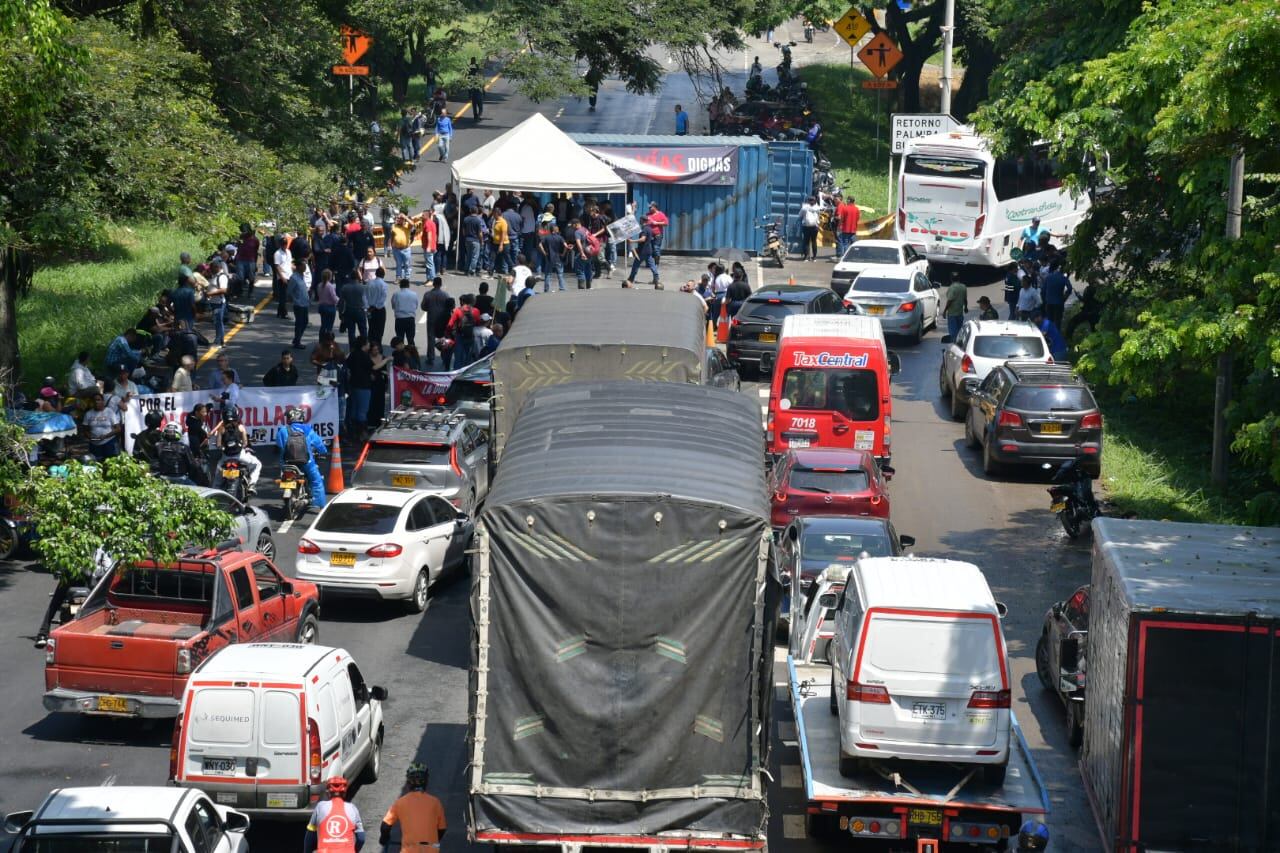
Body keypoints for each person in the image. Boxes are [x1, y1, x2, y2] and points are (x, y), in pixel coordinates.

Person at [380, 763, 446, 851]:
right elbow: (442, 829)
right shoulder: (435, 802)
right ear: (426, 781)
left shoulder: (400, 803)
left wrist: (384, 839)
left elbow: (385, 826)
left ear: (408, 782)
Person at [276, 407, 327, 509]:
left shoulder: (282, 430)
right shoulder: (308, 429)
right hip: (306, 462)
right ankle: (319, 505)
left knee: (284, 477)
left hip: (286, 462)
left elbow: (280, 446)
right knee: (317, 481)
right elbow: (320, 445)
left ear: (289, 418)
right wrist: (323, 451)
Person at [304, 776, 365, 853]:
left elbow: (310, 836)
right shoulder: (353, 808)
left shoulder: (320, 807)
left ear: (328, 793)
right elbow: (361, 838)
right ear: (345, 793)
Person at [209, 406, 259, 495]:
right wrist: (242, 445)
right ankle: (251, 484)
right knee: (257, 464)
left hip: (225, 458)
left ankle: (214, 495)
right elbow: (245, 443)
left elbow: (218, 445)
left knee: (217, 480)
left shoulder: (221, 428)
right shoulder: (241, 427)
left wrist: (223, 447)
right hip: (241, 456)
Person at [345, 336, 375, 439]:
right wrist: (387, 360)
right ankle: (362, 433)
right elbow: (373, 367)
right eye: (367, 343)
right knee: (362, 410)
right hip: (364, 385)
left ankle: (352, 432)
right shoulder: (364, 356)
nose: (369, 345)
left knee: (354, 408)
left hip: (353, 384)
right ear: (364, 345)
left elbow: (347, 364)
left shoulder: (352, 354)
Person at [420, 277, 451, 368]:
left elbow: (423, 307)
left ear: (433, 284)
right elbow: (449, 306)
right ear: (441, 284)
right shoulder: (445, 295)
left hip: (431, 319)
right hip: (442, 319)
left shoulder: (428, 294)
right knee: (444, 338)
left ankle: (431, 357)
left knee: (431, 338)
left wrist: (430, 309)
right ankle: (444, 356)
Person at [82, 393, 122, 459]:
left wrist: (106, 436)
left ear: (103, 401)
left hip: (109, 442)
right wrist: (91, 437)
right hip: (94, 445)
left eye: (98, 400)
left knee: (110, 463)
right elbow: (85, 430)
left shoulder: (109, 412)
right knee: (96, 465)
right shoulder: (88, 414)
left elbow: (118, 429)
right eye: (94, 400)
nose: (96, 402)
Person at [625, 216, 661, 288]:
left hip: (642, 251)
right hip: (648, 250)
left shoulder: (644, 229)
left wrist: (632, 241)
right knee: (652, 265)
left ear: (642, 220)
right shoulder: (649, 229)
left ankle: (631, 279)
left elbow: (643, 239)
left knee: (635, 265)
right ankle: (656, 279)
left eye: (640, 220)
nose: (639, 221)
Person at [1040, 259, 1076, 329]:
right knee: (1057, 322)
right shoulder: (1063, 278)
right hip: (1059, 302)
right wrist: (1064, 298)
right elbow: (1069, 288)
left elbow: (1043, 291)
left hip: (1049, 302)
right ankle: (1057, 336)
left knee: (1050, 321)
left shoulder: (1048, 277)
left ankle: (1049, 337)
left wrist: (1045, 300)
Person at [448, 295, 483, 368]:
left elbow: (450, 325)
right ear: (473, 302)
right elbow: (478, 323)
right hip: (471, 336)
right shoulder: (476, 311)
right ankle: (466, 375)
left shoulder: (457, 311)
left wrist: (449, 335)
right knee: (469, 357)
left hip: (459, 336)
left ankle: (456, 376)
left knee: (458, 358)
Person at [339, 276, 369, 352]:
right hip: (360, 310)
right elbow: (365, 300)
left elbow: (341, 302)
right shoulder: (362, 287)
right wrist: (366, 309)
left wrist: (341, 313)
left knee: (351, 331)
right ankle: (364, 345)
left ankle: (352, 349)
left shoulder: (345, 287)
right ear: (357, 279)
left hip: (349, 311)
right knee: (363, 330)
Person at [391, 278, 418, 347]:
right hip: (410, 319)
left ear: (400, 285)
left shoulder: (396, 294)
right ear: (408, 285)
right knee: (411, 339)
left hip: (399, 319)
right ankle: (412, 355)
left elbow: (393, 306)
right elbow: (416, 306)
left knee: (400, 339)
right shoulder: (414, 294)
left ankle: (401, 355)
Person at [272, 232, 294, 320]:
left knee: (285, 296)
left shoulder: (288, 252)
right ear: (281, 244)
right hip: (282, 276)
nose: (285, 246)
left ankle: (279, 312)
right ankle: (284, 313)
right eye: (283, 244)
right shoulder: (277, 254)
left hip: (289, 274)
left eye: (286, 244)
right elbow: (277, 267)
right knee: (283, 296)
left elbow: (290, 263)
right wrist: (282, 277)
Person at [288, 267, 311, 349]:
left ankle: (297, 338)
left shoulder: (302, 276)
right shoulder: (294, 278)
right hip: (298, 304)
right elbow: (289, 290)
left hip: (304, 303)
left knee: (305, 322)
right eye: (303, 266)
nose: (305, 268)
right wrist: (294, 299)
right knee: (299, 323)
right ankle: (297, 342)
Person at [366, 266, 389, 345]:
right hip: (380, 310)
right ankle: (378, 346)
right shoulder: (384, 285)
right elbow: (383, 298)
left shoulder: (369, 283)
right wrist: (376, 306)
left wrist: (368, 307)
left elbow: (364, 296)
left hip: (370, 309)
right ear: (383, 275)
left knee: (371, 328)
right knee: (379, 330)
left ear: (375, 274)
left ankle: (371, 345)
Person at [390, 213, 414, 282]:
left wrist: (405, 217)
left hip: (406, 249)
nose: (398, 220)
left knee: (407, 264)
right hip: (396, 249)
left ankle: (407, 277)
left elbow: (412, 224)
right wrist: (391, 245)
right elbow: (392, 235)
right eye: (398, 218)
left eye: (400, 218)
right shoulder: (394, 226)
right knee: (398, 264)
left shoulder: (407, 226)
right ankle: (398, 277)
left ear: (403, 220)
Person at [835, 194, 860, 259]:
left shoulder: (845, 208)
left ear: (849, 200)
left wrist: (839, 226)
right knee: (853, 243)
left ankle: (845, 257)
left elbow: (841, 219)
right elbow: (857, 219)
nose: (846, 201)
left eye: (847, 200)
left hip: (845, 229)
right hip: (853, 229)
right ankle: (854, 256)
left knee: (845, 243)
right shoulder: (857, 209)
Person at [799, 196, 822, 261]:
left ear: (808, 201)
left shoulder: (804, 208)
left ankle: (806, 257)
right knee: (814, 241)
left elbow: (800, 215)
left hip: (806, 226)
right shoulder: (818, 208)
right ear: (815, 201)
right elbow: (819, 215)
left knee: (806, 242)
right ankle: (814, 257)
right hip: (814, 227)